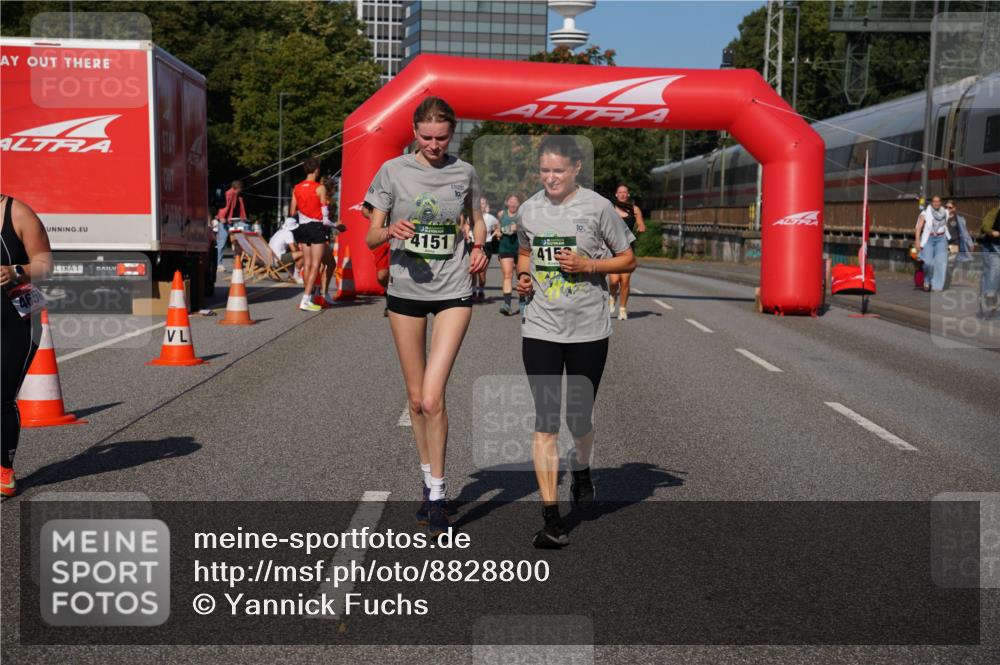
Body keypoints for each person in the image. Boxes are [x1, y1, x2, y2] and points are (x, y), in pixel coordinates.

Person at [364, 96, 487, 538]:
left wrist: (478, 247)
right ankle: (427, 476)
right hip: (405, 289)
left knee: (433, 397)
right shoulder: (393, 172)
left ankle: (438, 495)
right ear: (414, 131)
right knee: (415, 400)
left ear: (452, 134)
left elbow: (477, 219)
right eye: (426, 137)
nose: (434, 145)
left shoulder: (464, 172)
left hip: (454, 288)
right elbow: (369, 235)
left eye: (442, 137)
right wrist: (390, 230)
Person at [515, 136, 636, 548]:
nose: (551, 178)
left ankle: (581, 467)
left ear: (576, 170)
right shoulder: (529, 210)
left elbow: (628, 259)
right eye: (545, 170)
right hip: (541, 328)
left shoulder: (598, 207)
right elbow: (526, 251)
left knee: (578, 420)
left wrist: (590, 264)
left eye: (559, 171)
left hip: (588, 328)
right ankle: (551, 518)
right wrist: (524, 275)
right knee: (546, 422)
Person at [1, 194, 53, 498]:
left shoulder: (16, 213)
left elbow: (45, 264)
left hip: (14, 319)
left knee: (1, 394)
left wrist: (15, 271)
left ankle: (3, 470)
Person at [290, 158, 330, 311]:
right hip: (316, 227)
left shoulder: (297, 188)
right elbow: (324, 214)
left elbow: (293, 211)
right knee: (316, 264)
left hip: (302, 227)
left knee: (307, 264)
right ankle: (306, 299)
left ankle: (309, 295)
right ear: (316, 170)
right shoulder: (320, 188)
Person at [608, 184, 646, 320]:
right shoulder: (610, 209)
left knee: (624, 281)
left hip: (628, 249)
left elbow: (641, 223)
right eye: (620, 192)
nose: (623, 194)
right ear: (616, 194)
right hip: (613, 249)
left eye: (625, 192)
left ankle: (623, 309)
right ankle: (612, 296)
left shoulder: (635, 209)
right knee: (613, 280)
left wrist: (641, 226)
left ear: (628, 194)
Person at [361, 201, 391, 316]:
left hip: (399, 236)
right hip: (381, 238)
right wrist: (373, 218)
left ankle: (394, 303)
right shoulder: (380, 188)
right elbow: (364, 209)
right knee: (382, 275)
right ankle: (389, 293)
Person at [916, 195, 950, 292]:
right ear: (931, 202)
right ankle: (926, 280)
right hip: (929, 239)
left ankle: (937, 286)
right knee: (928, 263)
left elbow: (947, 221)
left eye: (938, 201)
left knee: (941, 263)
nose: (936, 203)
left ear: (940, 202)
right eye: (934, 201)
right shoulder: (925, 213)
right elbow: (918, 228)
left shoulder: (945, 212)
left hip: (941, 239)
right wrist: (917, 241)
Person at [497, 193, 523, 315]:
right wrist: (497, 232)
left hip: (520, 248)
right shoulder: (501, 214)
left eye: (515, 202)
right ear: (507, 203)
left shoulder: (522, 215)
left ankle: (523, 303)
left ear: (519, 204)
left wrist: (518, 227)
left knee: (521, 277)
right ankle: (507, 305)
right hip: (505, 247)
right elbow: (498, 228)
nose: (513, 204)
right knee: (507, 275)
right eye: (511, 201)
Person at [475, 196, 500, 303]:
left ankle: (480, 291)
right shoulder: (472, 216)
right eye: (479, 203)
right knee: (472, 271)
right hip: (473, 244)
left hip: (486, 245)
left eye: (483, 203)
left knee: (482, 272)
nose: (481, 205)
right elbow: (465, 226)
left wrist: (494, 234)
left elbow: (498, 226)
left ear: (486, 205)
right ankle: (472, 292)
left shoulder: (491, 217)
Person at [221, 180, 249, 271]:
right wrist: (222, 217)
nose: (241, 191)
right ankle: (219, 263)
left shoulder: (238, 195)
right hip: (226, 220)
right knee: (222, 241)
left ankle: (239, 259)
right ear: (237, 188)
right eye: (240, 189)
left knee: (239, 239)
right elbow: (226, 206)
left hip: (234, 219)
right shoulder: (229, 193)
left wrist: (243, 217)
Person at [980, 191, 1000, 314]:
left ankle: (991, 299)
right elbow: (985, 226)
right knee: (992, 272)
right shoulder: (995, 212)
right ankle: (987, 298)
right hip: (990, 246)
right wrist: (992, 231)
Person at [268, 217, 304, 283]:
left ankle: (291, 275)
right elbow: (294, 250)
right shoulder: (288, 233)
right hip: (277, 260)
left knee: (290, 254)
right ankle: (296, 276)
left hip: (270, 259)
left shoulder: (279, 232)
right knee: (303, 254)